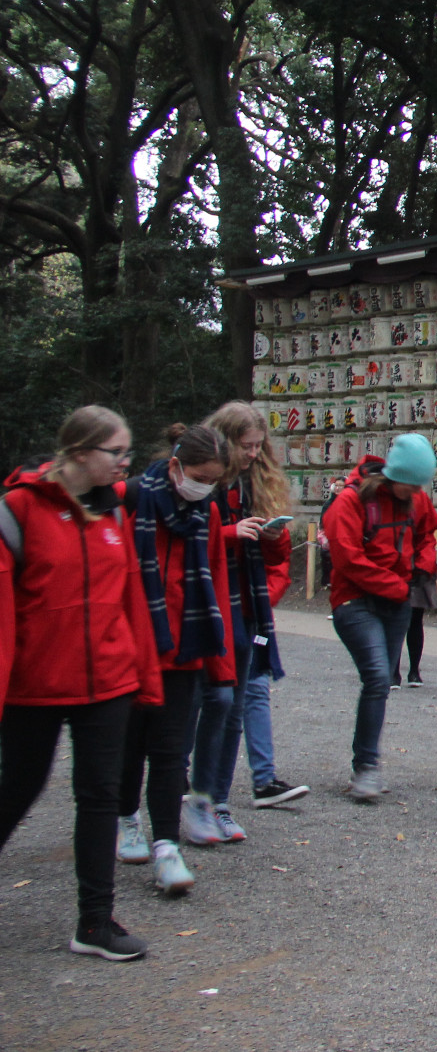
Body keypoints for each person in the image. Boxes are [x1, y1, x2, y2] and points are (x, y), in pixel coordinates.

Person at [0, 407, 162, 960]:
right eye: (116, 452)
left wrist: (144, 677)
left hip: (108, 681)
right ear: (78, 452)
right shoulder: (17, 510)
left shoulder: (114, 511)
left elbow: (129, 599)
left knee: (100, 797)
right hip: (36, 683)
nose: (125, 462)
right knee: (17, 788)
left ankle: (95, 921)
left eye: (127, 453)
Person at [116, 424, 237, 894]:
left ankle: (166, 845)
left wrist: (219, 666)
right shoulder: (129, 502)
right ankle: (125, 818)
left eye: (213, 481)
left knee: (170, 753)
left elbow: (216, 585)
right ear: (175, 467)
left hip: (182, 650)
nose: (205, 487)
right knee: (128, 748)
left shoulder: (204, 514)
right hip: (130, 650)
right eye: (200, 477)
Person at [184, 402, 300, 846]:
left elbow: (276, 561)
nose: (253, 454)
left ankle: (216, 800)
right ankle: (184, 792)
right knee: (203, 702)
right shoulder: (199, 483)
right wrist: (230, 534)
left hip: (247, 606)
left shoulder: (255, 485)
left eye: (258, 446)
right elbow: (183, 539)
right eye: (245, 446)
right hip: (207, 605)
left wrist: (273, 535)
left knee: (233, 707)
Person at [323, 434, 437, 802]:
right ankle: (366, 767)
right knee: (376, 674)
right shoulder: (352, 502)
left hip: (397, 602)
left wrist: (423, 565)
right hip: (356, 600)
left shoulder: (416, 500)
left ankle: (366, 764)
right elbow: (347, 559)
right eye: (413, 482)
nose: (417, 490)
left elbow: (427, 536)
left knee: (380, 683)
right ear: (395, 475)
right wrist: (395, 584)